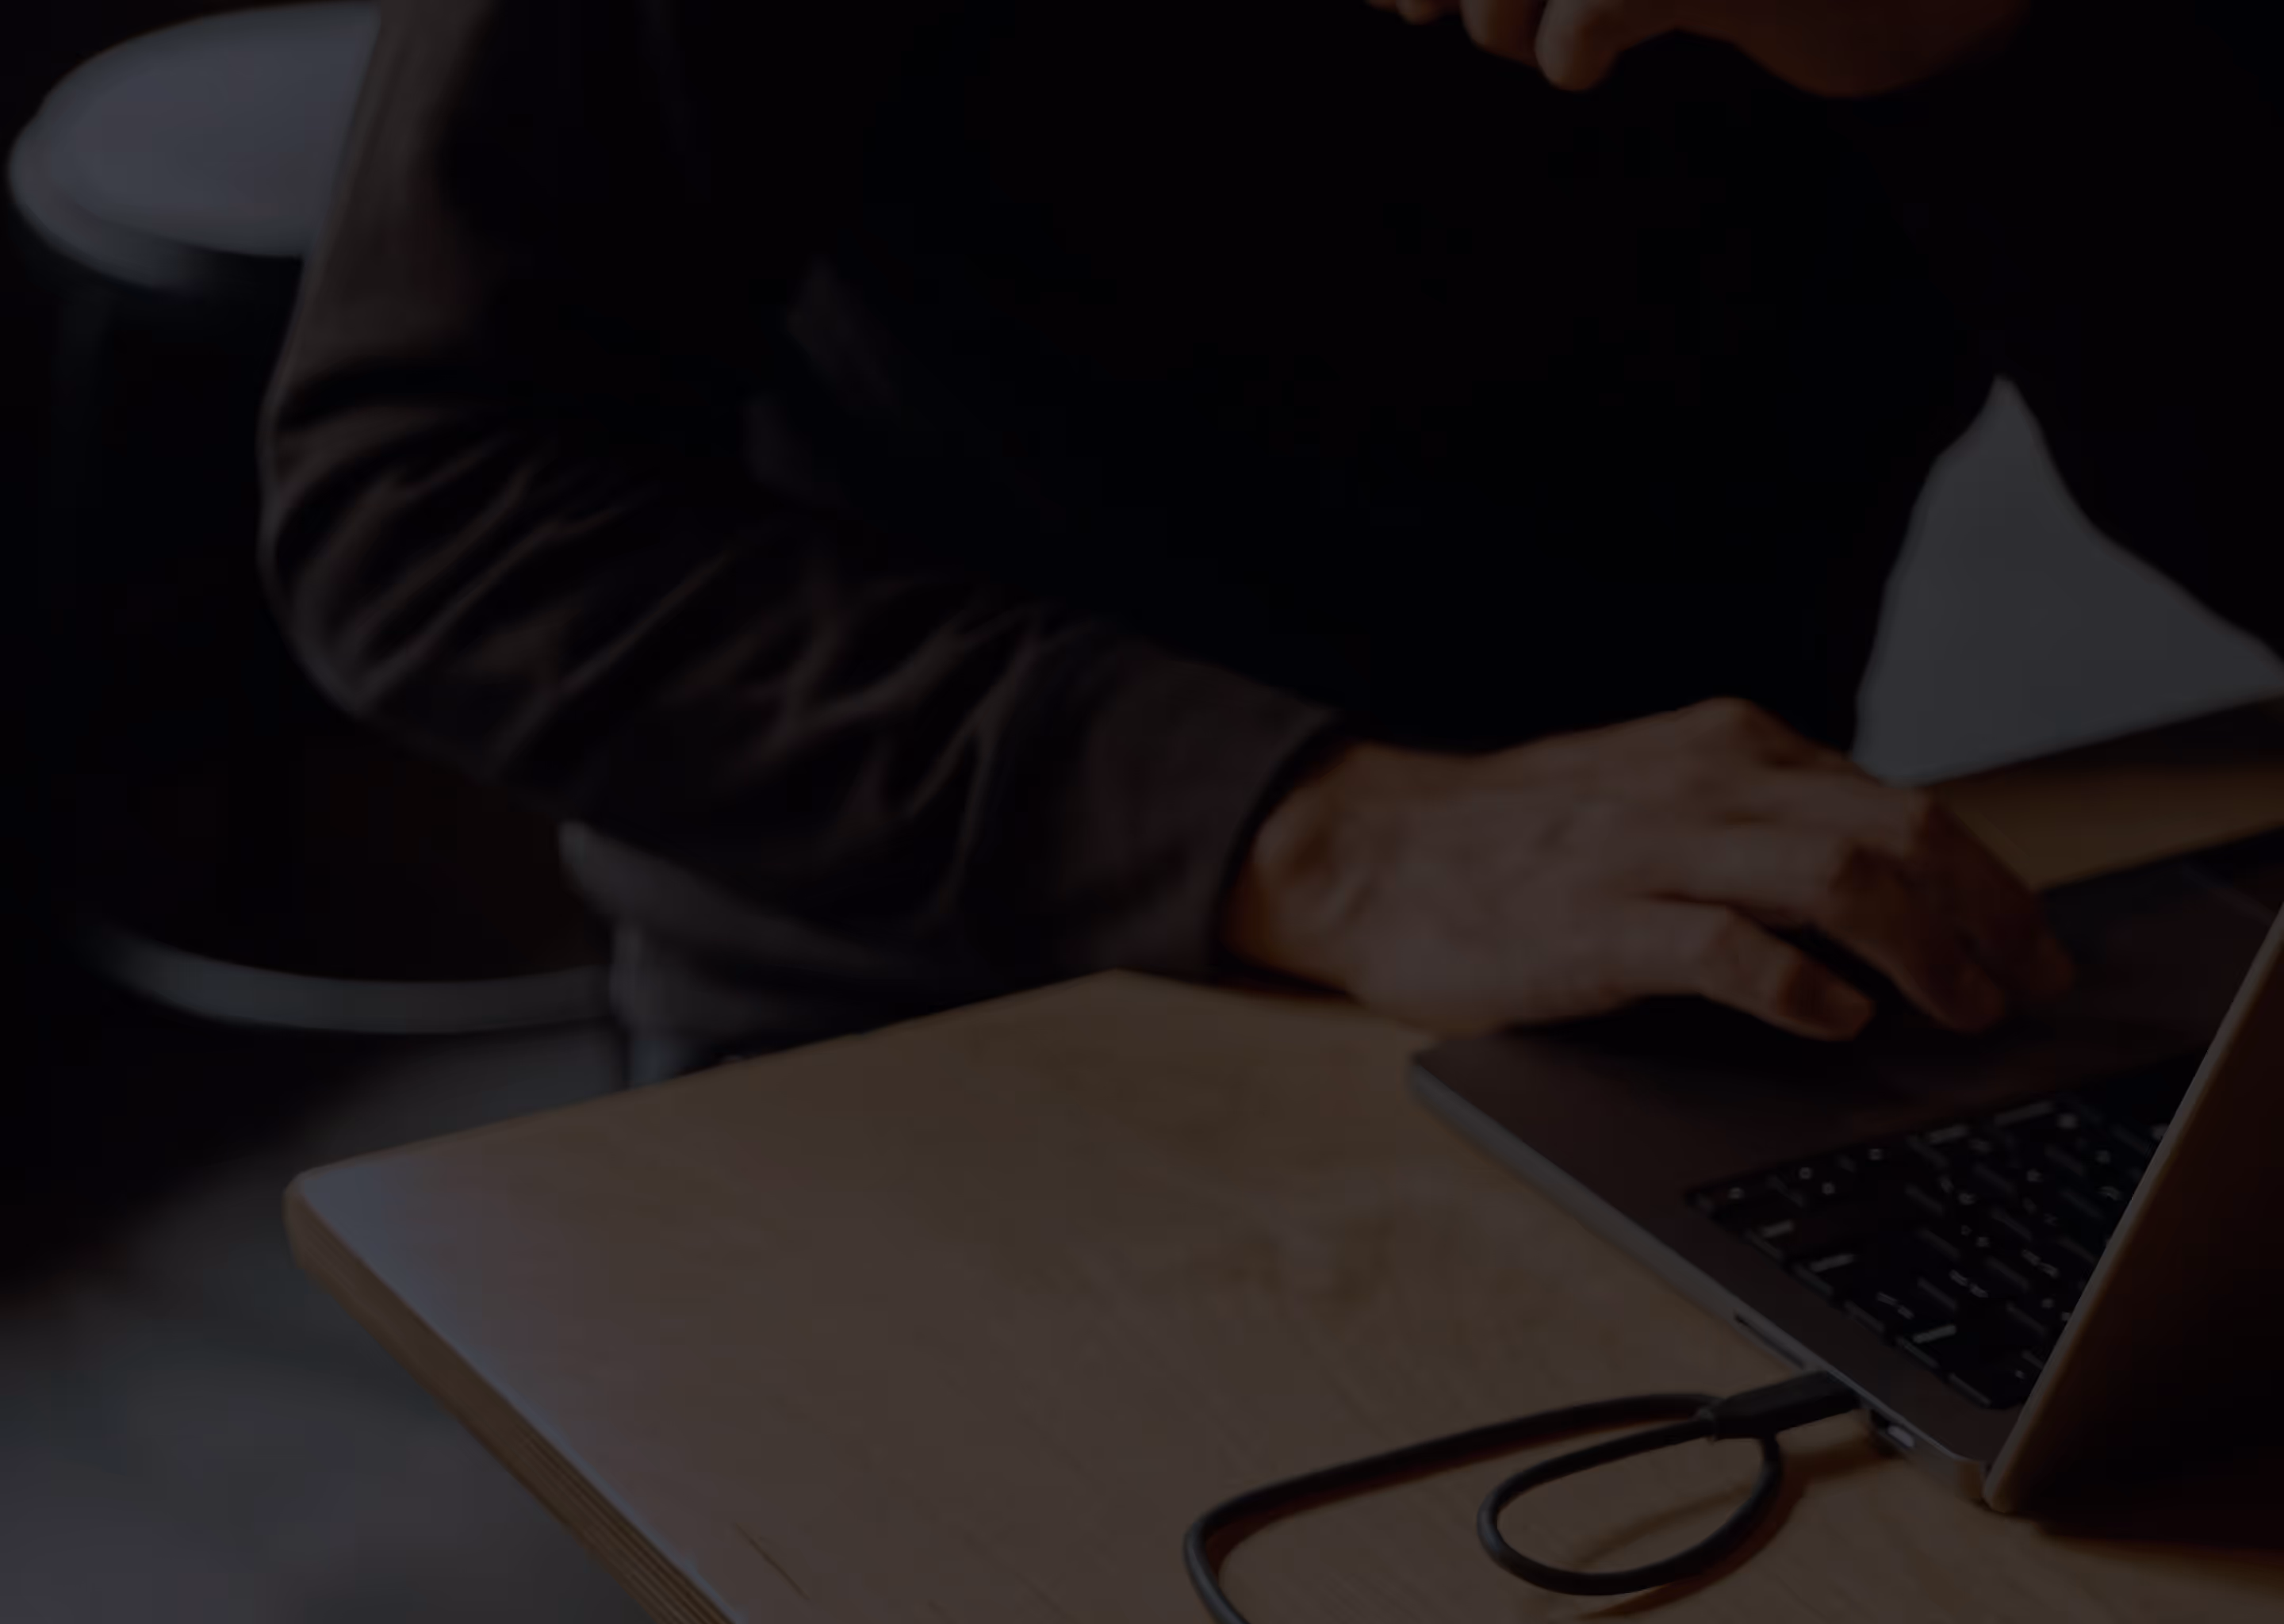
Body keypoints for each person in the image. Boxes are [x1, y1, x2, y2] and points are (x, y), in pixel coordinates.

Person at [262, 0, 2284, 1082]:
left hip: (1697, 954)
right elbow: (420, 488)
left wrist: (1979, 56)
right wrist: (1319, 833)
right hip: (956, 981)